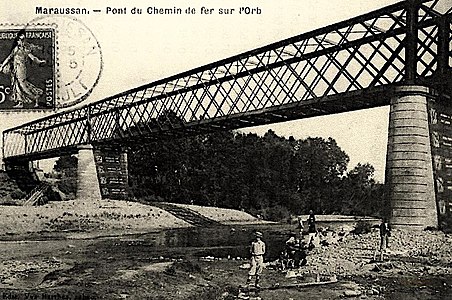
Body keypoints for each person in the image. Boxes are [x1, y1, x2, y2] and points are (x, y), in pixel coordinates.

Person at [0, 29, 46, 108]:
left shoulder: (25, 50)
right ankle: (20, 102)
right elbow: (9, 58)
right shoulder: (16, 49)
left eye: (21, 40)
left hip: (21, 69)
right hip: (15, 69)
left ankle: (35, 98)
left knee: (22, 85)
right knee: (16, 85)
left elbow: (33, 58)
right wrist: (2, 66)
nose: (19, 42)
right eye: (18, 40)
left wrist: (40, 62)